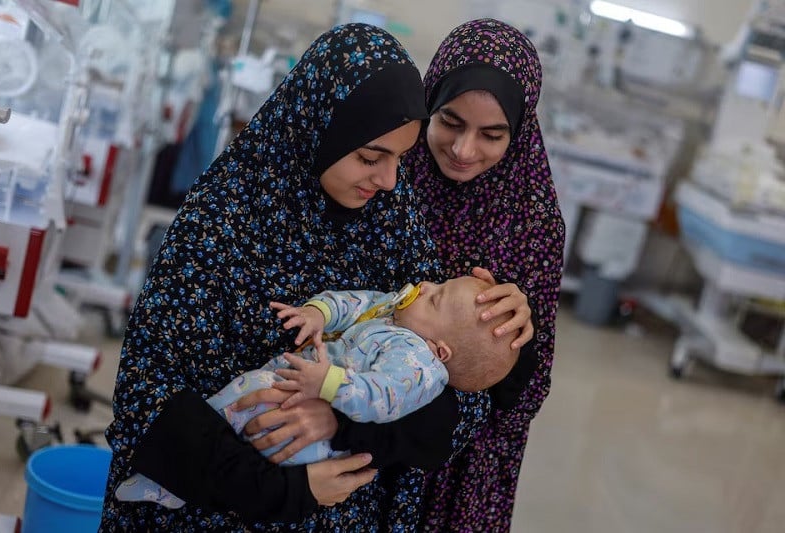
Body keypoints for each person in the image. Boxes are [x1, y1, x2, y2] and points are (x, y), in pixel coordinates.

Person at [100, 22, 531, 532]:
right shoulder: (223, 223)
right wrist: (286, 490)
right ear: (319, 129)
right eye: (370, 157)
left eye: (400, 159)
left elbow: (457, 404)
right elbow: (147, 400)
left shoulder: (393, 224)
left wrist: (345, 422)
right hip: (213, 508)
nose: (391, 180)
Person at [115, 276, 519, 509]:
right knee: (238, 405)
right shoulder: (397, 316)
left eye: (435, 298)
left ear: (440, 349)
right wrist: (318, 313)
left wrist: (327, 385)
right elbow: (356, 302)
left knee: (246, 401)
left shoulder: (418, 365)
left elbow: (379, 397)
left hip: (314, 441)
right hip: (301, 387)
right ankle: (175, 477)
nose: (425, 284)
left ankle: (171, 485)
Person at [402, 19, 566, 532]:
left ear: (519, 133)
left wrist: (523, 335)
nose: (464, 150)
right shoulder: (384, 176)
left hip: (461, 460)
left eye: (492, 135)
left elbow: (525, 391)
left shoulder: (534, 222)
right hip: (355, 420)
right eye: (450, 121)